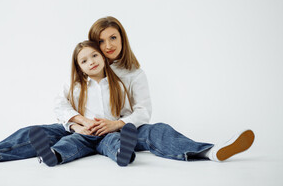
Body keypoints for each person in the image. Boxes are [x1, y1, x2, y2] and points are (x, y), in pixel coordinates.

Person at [55, 16, 255, 162]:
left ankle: (208, 152)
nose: (108, 45)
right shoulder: (84, 74)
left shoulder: (134, 74)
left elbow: (143, 112)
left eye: (113, 38)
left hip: (124, 131)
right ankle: (45, 154)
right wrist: (78, 123)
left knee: (157, 131)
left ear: (122, 38)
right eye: (101, 41)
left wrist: (116, 125)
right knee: (49, 131)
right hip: (85, 132)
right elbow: (60, 102)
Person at [29, 40, 138, 167]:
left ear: (103, 56)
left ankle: (123, 153)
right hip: (85, 133)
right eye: (84, 61)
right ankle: (53, 154)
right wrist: (78, 126)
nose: (91, 62)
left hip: (109, 133)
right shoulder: (75, 86)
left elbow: (126, 113)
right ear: (79, 67)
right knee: (70, 141)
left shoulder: (118, 85)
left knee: (114, 141)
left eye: (94, 55)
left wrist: (115, 125)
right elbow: (60, 106)